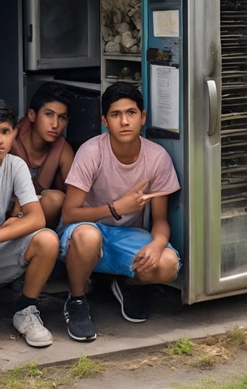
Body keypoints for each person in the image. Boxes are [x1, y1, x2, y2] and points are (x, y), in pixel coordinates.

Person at [59, 82, 181, 342]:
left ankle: (126, 286)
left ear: (143, 116)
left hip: (127, 236)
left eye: (131, 113)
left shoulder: (157, 157)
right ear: (105, 120)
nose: (124, 121)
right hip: (87, 232)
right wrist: (116, 208)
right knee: (87, 237)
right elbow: (69, 214)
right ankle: (77, 299)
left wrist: (158, 245)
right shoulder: (92, 151)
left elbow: (160, 220)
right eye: (115, 115)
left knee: (169, 265)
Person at [0, 97, 59, 348]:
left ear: (14, 132)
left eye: (5, 131)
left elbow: (38, 217)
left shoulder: (15, 165)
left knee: (47, 239)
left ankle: (25, 309)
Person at [10, 82, 75, 229]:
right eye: (49, 114)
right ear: (32, 115)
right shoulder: (10, 140)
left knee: (56, 199)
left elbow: (74, 197)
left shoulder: (62, 148)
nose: (55, 124)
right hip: (5, 213)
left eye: (62, 117)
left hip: (38, 222)